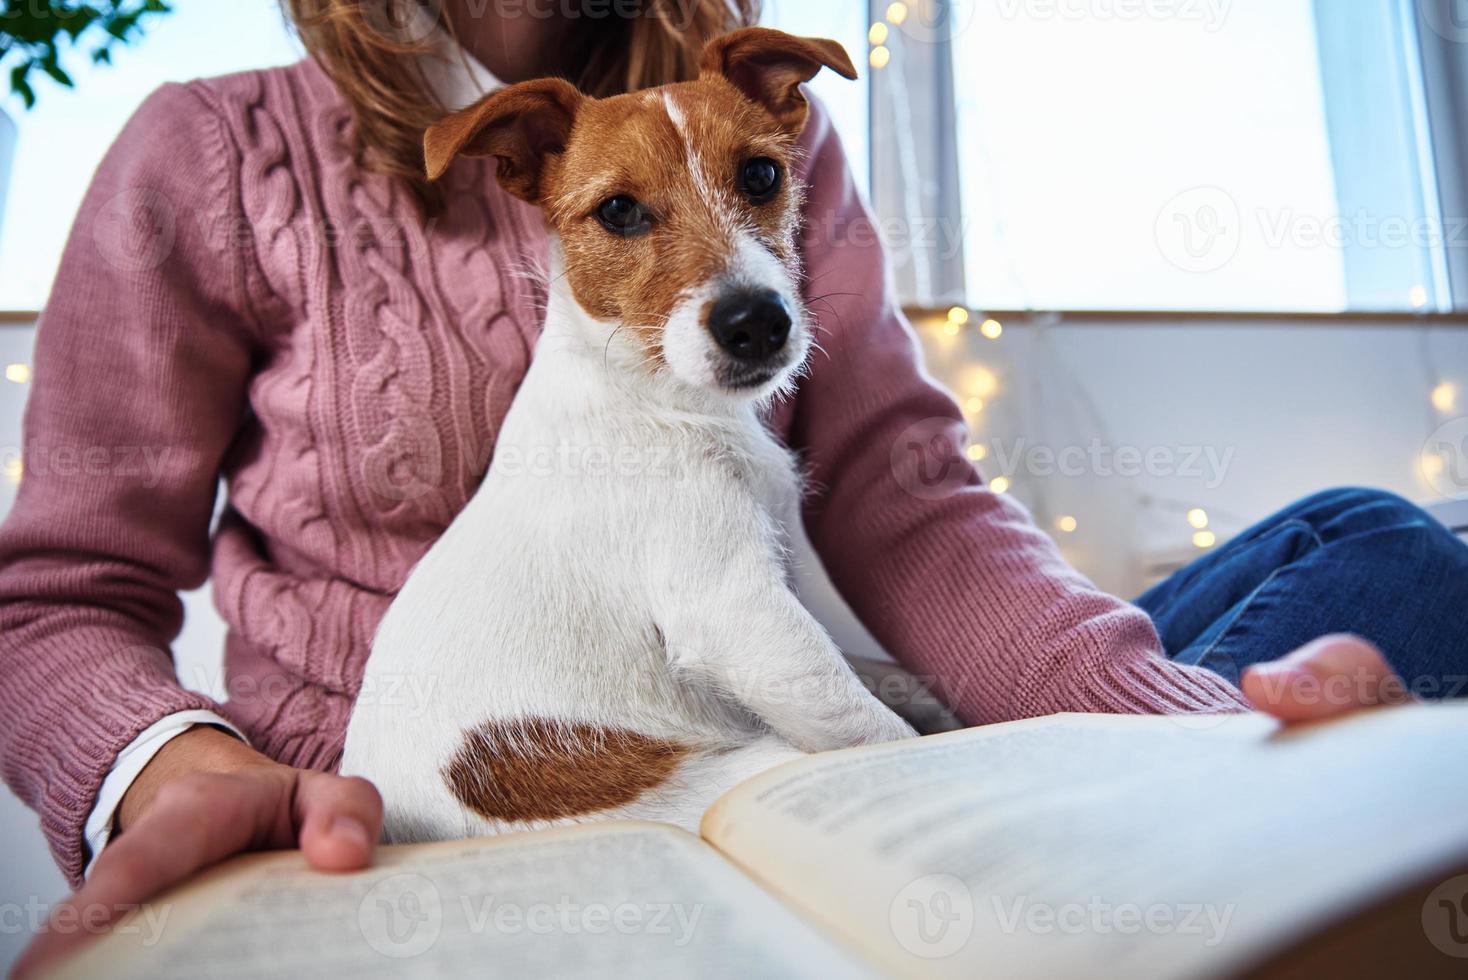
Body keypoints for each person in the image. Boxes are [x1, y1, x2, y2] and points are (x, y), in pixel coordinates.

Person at [4, 1, 1465, 974]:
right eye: (628, 219)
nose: (737, 271)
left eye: (760, 191)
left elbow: (905, 488)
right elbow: (55, 592)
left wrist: (1166, 728)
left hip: (752, 725)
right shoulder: (211, 156)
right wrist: (175, 770)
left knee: (1379, 544)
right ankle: (1166, 868)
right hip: (412, 804)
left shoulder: (741, 101)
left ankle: (1165, 823)